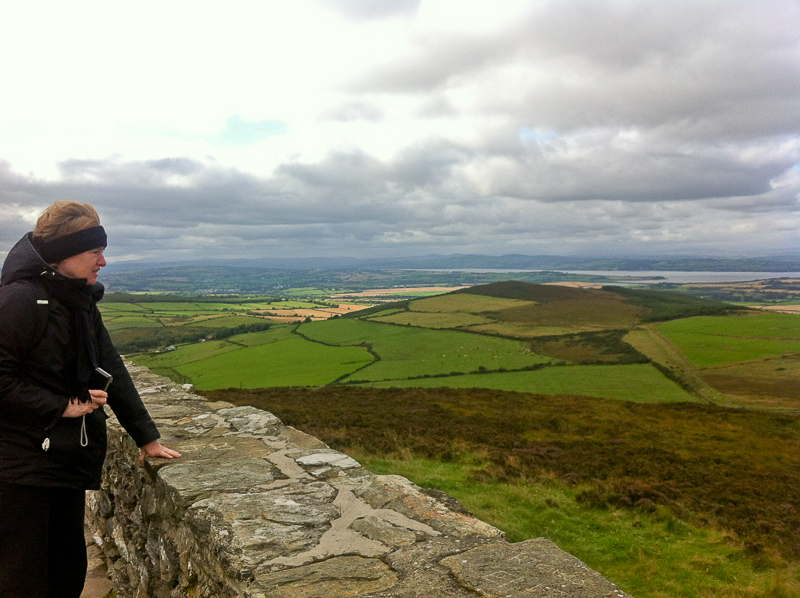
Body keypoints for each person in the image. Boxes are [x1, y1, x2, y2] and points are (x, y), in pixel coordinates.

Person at [0, 200, 180, 598]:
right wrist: (58, 405)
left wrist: (146, 437)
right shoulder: (21, 300)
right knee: (22, 576)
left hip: (63, 459)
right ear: (64, 256)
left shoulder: (78, 300)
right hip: (19, 465)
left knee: (66, 569)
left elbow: (111, 366)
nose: (103, 262)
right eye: (94, 252)